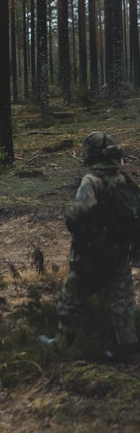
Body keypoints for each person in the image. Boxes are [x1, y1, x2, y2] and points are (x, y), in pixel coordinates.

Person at [41, 131, 140, 362]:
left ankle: (63, 343)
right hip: (119, 251)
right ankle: (129, 349)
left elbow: (81, 209)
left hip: (94, 253)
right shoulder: (123, 180)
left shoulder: (91, 180)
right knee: (122, 299)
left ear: (93, 155)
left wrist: (70, 218)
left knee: (71, 295)